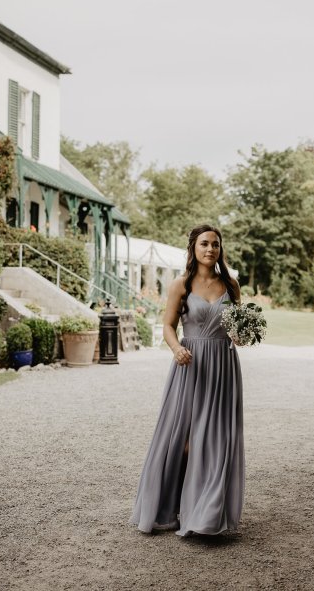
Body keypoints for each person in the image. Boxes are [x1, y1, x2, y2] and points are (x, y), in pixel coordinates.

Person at [129, 224, 244, 537]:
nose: (210, 249)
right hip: (190, 365)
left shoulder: (230, 284)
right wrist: (177, 347)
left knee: (217, 438)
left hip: (222, 368)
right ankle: (168, 508)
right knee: (182, 439)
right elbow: (167, 325)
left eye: (215, 245)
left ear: (221, 250)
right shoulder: (181, 284)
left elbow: (236, 327)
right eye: (204, 244)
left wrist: (241, 334)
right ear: (194, 247)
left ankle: (205, 514)